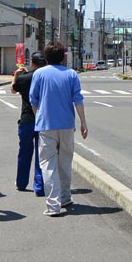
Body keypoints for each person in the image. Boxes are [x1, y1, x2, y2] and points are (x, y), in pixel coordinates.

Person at [29, 41, 88, 216]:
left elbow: (34, 100)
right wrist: (83, 123)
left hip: (46, 125)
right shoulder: (71, 74)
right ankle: (65, 197)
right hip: (67, 124)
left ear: (46, 57)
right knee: (65, 162)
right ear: (63, 56)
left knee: (48, 164)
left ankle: (53, 205)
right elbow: (78, 99)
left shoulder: (39, 73)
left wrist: (38, 116)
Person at [10, 52, 45, 194]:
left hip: (26, 120)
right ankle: (40, 186)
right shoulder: (46, 78)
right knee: (41, 155)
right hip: (43, 120)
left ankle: (21, 183)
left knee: (24, 152)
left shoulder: (24, 78)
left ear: (32, 63)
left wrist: (16, 75)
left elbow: (13, 89)